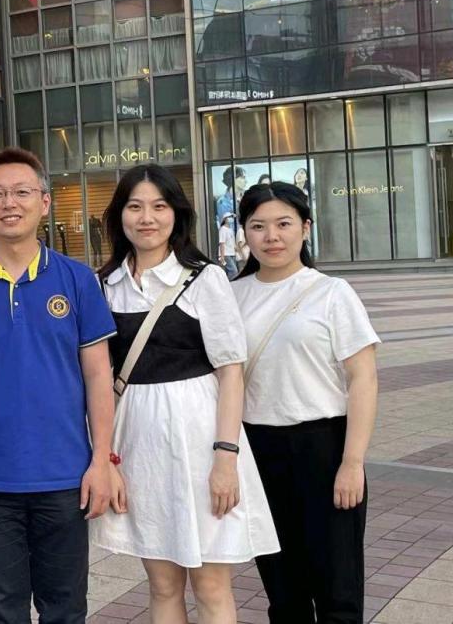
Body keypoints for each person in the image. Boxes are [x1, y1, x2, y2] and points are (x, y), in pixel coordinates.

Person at [0, 147, 117, 624]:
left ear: (44, 202)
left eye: (21, 192)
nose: (9, 203)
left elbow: (99, 376)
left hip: (65, 477)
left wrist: (101, 461)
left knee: (66, 609)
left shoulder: (77, 280)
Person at [91, 164, 278, 624]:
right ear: (119, 216)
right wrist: (106, 460)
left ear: (176, 213)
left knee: (211, 586)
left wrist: (225, 459)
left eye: (159, 206)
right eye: (135, 207)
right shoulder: (105, 285)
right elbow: (99, 379)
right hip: (138, 449)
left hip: (201, 445)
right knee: (162, 586)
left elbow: (230, 372)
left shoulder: (204, 278)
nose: (147, 218)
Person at [232, 182, 379, 624]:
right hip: (258, 449)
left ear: (306, 227)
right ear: (244, 232)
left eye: (283, 224)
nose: (271, 236)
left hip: (323, 447)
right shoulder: (231, 295)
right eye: (258, 226)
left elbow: (363, 378)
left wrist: (352, 462)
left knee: (338, 588)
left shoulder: (332, 292)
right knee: (283, 589)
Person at [214, 166, 245, 232]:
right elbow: (227, 227)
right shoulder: (223, 202)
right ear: (233, 179)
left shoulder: (246, 197)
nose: (245, 181)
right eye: (242, 178)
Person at [217, 213, 237, 278]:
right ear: (225, 219)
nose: (232, 219)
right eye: (230, 217)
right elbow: (222, 243)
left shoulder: (230, 229)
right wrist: (222, 256)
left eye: (232, 217)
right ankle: (229, 283)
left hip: (232, 253)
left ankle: (227, 283)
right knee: (234, 271)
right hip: (226, 254)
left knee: (229, 272)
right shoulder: (223, 229)